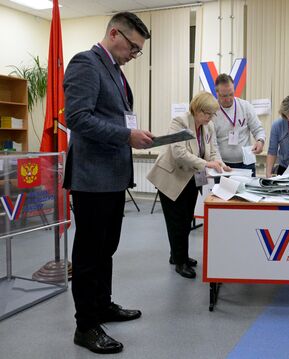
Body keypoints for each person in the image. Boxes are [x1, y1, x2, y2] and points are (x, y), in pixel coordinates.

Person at [63, 12, 154, 354]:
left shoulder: (115, 71)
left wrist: (134, 135)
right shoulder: (86, 63)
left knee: (106, 249)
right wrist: (126, 135)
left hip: (113, 176)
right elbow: (78, 117)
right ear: (114, 33)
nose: (134, 54)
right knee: (88, 254)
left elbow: (114, 117)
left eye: (138, 50)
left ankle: (102, 305)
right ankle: (85, 326)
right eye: (133, 46)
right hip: (91, 178)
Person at [147, 92, 229, 280]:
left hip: (192, 178)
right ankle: (180, 262)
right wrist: (208, 164)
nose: (210, 118)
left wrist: (221, 164)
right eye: (208, 114)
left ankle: (177, 255)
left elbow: (214, 150)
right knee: (176, 221)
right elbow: (179, 153)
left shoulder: (208, 127)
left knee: (186, 220)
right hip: (172, 177)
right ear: (198, 110)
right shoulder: (180, 122)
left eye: (212, 114)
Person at [212, 74, 266, 176]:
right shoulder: (212, 112)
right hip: (223, 164)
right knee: (223, 192)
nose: (228, 99)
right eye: (224, 96)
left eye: (231, 94)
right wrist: (221, 164)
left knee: (248, 191)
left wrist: (260, 141)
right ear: (217, 93)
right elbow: (213, 144)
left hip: (247, 162)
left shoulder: (245, 106)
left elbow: (258, 129)